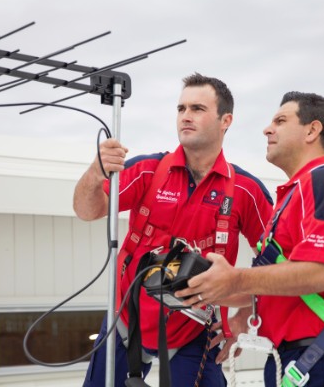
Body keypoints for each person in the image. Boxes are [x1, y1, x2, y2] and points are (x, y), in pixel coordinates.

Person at [73, 73, 274, 386]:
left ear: (226, 120)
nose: (186, 116)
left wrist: (242, 317)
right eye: (181, 109)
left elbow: (280, 264)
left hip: (196, 331)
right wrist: (95, 170)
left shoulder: (245, 191)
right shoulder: (149, 171)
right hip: (127, 320)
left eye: (197, 108)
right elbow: (87, 210)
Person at [177, 91, 324, 386]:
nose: (267, 129)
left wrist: (234, 279)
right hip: (299, 361)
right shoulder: (290, 198)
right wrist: (224, 304)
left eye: (281, 121)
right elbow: (284, 282)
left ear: (312, 130)